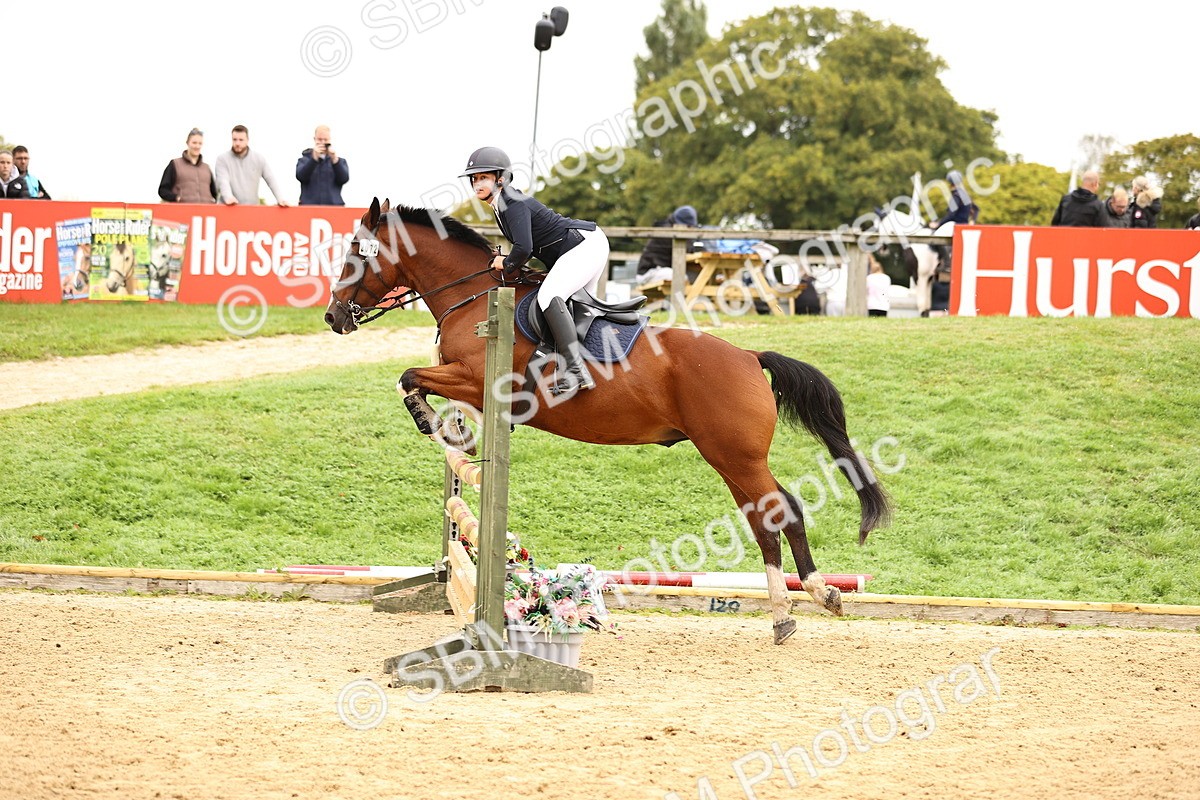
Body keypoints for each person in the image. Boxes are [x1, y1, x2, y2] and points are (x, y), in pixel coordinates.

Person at [461, 145, 608, 395]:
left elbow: (524, 247)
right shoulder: (501, 204)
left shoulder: (511, 201)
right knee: (577, 307)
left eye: (483, 177)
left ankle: (575, 371)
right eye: (474, 179)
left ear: (501, 179)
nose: (477, 184)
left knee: (549, 297)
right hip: (586, 244)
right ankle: (583, 368)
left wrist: (505, 264)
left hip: (584, 244)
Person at [214, 125, 289, 206]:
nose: (237, 143)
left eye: (241, 140)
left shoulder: (259, 159)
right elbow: (223, 181)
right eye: (234, 140)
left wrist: (280, 199)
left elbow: (271, 179)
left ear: (247, 140)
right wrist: (228, 197)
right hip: (228, 208)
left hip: (251, 209)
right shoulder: (222, 159)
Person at [636, 205, 698, 279]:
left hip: (660, 270)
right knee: (680, 277)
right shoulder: (668, 232)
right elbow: (681, 257)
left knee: (692, 276)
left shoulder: (676, 232)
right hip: (648, 272)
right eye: (689, 227)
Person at [158, 128, 217, 203]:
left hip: (206, 212)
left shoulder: (206, 168)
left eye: (200, 143)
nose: (197, 146)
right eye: (194, 143)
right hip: (182, 212)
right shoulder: (175, 164)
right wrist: (177, 198)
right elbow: (163, 190)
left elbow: (214, 193)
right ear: (187, 143)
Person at [296, 125, 349, 206]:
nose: (323, 142)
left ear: (330, 140)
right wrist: (314, 159)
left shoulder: (339, 161)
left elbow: (344, 179)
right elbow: (301, 177)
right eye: (320, 139)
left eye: (326, 140)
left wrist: (335, 160)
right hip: (309, 207)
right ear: (314, 139)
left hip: (334, 207)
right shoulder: (304, 160)